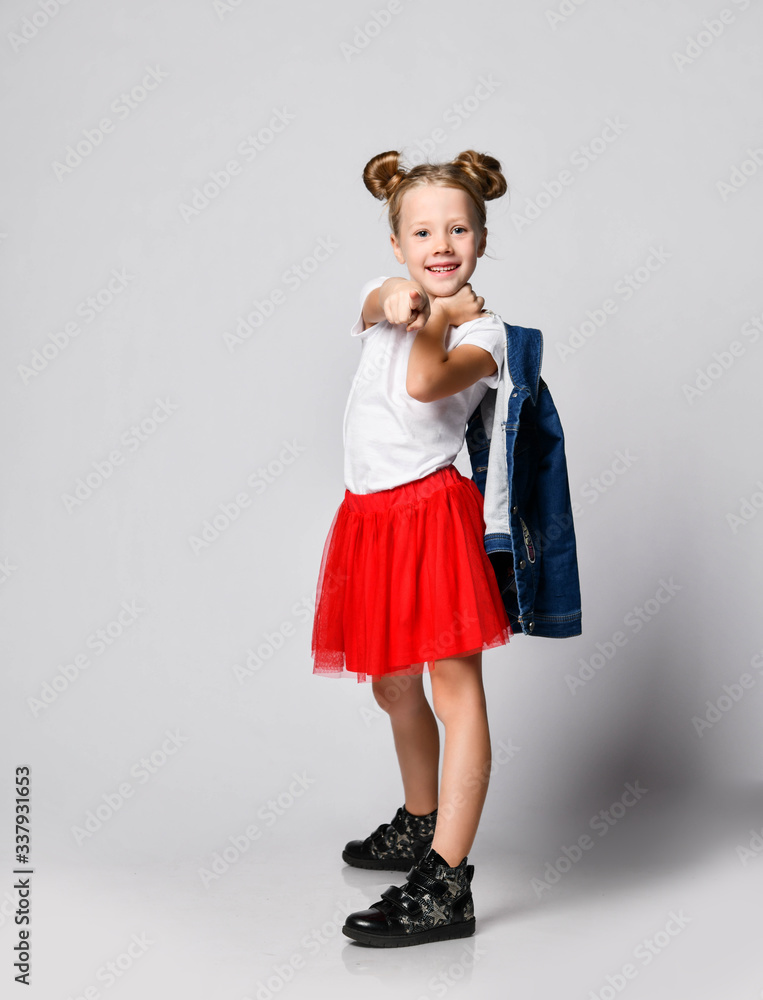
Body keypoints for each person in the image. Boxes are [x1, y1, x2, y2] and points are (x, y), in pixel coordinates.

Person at [311, 149, 514, 947]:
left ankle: (446, 879)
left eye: (458, 228)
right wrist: (401, 298)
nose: (440, 243)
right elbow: (373, 301)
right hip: (368, 520)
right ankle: (417, 818)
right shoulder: (384, 292)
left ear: (482, 239)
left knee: (452, 685)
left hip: (431, 518)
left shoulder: (484, 333)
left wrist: (440, 316)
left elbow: (428, 383)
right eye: (422, 231)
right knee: (391, 686)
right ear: (396, 243)